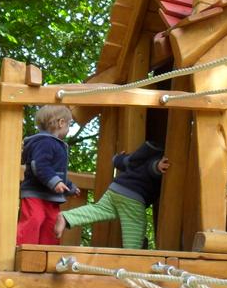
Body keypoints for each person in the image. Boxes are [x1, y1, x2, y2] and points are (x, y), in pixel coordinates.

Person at [54, 141, 169, 250]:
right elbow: (151, 167)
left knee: (98, 210)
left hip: (115, 189)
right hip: (133, 196)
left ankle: (67, 217)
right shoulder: (158, 156)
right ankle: (132, 256)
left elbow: (119, 162)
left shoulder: (134, 158)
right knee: (136, 226)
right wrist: (158, 166)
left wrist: (117, 158)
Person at [18, 104, 79, 245]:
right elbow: (39, 165)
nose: (69, 128)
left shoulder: (55, 143)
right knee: (34, 218)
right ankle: (25, 248)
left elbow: (57, 172)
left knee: (52, 222)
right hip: (35, 192)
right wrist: (55, 182)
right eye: (69, 124)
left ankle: (47, 252)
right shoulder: (44, 142)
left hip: (51, 196)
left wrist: (70, 186)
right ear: (61, 123)